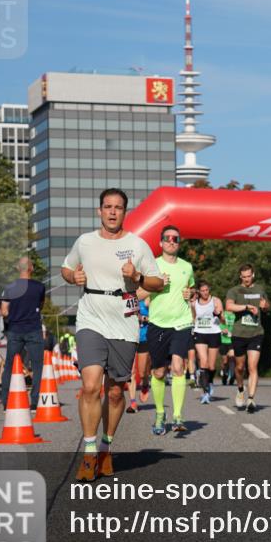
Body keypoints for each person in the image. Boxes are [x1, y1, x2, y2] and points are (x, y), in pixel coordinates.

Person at [61, 188, 163, 482]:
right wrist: (74, 277)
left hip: (123, 318)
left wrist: (138, 277)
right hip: (91, 316)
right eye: (108, 207)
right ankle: (90, 451)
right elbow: (66, 269)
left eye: (118, 207)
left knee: (116, 392)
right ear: (100, 211)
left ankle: (106, 445)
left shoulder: (137, 244)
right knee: (91, 385)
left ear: (124, 212)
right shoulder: (85, 242)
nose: (113, 212)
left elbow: (156, 282)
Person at [138, 225, 195, 435]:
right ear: (161, 242)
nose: (172, 241)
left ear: (179, 243)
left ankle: (178, 415)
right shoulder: (152, 266)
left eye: (176, 239)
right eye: (168, 238)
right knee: (159, 372)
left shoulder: (187, 267)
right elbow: (138, 293)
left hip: (181, 322)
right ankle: (161, 413)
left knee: (179, 366)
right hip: (158, 324)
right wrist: (157, 284)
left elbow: (191, 288)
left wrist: (191, 294)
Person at [0, 256, 46, 410]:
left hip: (15, 330)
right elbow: (41, 305)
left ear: (18, 269)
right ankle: (34, 403)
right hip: (34, 329)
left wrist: (14, 312)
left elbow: (4, 311)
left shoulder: (9, 287)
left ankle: (6, 402)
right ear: (31, 268)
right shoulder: (39, 287)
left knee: (10, 366)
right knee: (38, 366)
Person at [226, 264, 271, 413]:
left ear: (253, 275)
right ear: (240, 277)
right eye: (244, 277)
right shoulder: (235, 291)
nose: (246, 279)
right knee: (240, 367)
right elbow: (229, 306)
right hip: (239, 333)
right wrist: (246, 307)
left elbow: (267, 306)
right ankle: (240, 390)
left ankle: (251, 399)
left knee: (252, 366)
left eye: (249, 276)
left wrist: (265, 306)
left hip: (256, 333)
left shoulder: (260, 289)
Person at [192, 281, 224, 405]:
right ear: (199, 291)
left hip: (214, 333)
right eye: (203, 290)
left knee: (211, 366)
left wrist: (219, 314)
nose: (205, 292)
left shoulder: (216, 301)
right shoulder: (194, 303)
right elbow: (193, 317)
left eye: (207, 290)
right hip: (200, 333)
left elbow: (223, 319)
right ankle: (205, 392)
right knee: (203, 361)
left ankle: (209, 382)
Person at [126, 299, 152, 414]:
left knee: (142, 373)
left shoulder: (147, 300)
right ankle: (132, 402)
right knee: (131, 371)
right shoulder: (127, 298)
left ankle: (145, 384)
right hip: (129, 338)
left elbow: (156, 318)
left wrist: (144, 318)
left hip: (143, 339)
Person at [220, 308, 236, 386]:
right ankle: (225, 375)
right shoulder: (222, 313)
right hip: (223, 340)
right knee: (225, 361)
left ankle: (232, 376)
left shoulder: (235, 315)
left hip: (232, 340)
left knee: (232, 357)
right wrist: (222, 330)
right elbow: (216, 324)